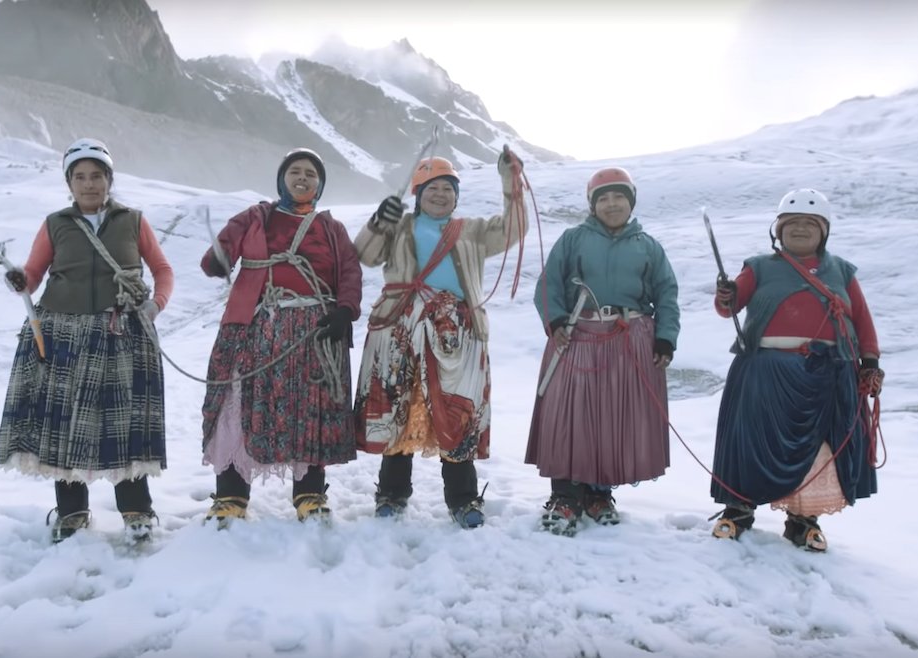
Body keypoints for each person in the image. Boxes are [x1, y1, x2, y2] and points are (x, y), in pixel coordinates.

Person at [0, 137, 174, 543]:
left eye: (97, 176)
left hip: (122, 333)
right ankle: (73, 512)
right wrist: (21, 280)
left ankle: (136, 511)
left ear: (109, 180)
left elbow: (163, 270)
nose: (89, 184)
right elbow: (34, 274)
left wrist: (154, 306)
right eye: (80, 177)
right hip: (63, 335)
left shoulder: (134, 220)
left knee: (123, 424)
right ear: (69, 183)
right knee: (64, 425)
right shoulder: (55, 224)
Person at [353, 150, 527, 529]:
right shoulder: (399, 227)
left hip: (457, 333)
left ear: (456, 197)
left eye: (448, 188)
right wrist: (377, 221)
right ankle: (392, 493)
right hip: (401, 326)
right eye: (432, 188)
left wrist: (510, 182)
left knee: (456, 411)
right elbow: (363, 255)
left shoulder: (473, 230)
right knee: (399, 405)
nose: (441, 194)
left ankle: (462, 499)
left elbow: (514, 229)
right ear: (417, 194)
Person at [708, 188, 882, 552]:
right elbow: (730, 306)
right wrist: (726, 294)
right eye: (792, 224)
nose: (800, 230)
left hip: (828, 374)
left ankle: (804, 522)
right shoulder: (758, 267)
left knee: (819, 449)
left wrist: (870, 361)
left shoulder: (842, 272)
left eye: (810, 224)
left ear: (824, 231)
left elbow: (861, 319)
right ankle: (738, 511)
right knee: (751, 442)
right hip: (765, 373)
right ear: (778, 229)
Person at [199, 148, 362, 527]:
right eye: (295, 171)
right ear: (281, 179)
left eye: (311, 173)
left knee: (312, 411)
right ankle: (230, 496)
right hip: (255, 326)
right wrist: (218, 258)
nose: (303, 178)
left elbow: (350, 273)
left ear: (319, 185)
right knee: (237, 405)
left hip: (316, 333)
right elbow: (218, 256)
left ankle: (309, 494)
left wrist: (344, 311)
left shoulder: (332, 229)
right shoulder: (256, 217)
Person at [525, 167, 680, 537]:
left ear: (631, 202)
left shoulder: (648, 246)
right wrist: (557, 320)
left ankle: (598, 495)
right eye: (604, 198)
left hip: (629, 340)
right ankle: (565, 496)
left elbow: (667, 294)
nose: (612, 204)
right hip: (577, 335)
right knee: (570, 415)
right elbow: (548, 285)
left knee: (612, 417)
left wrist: (666, 338)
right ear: (593, 204)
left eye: (619, 197)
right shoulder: (573, 239)